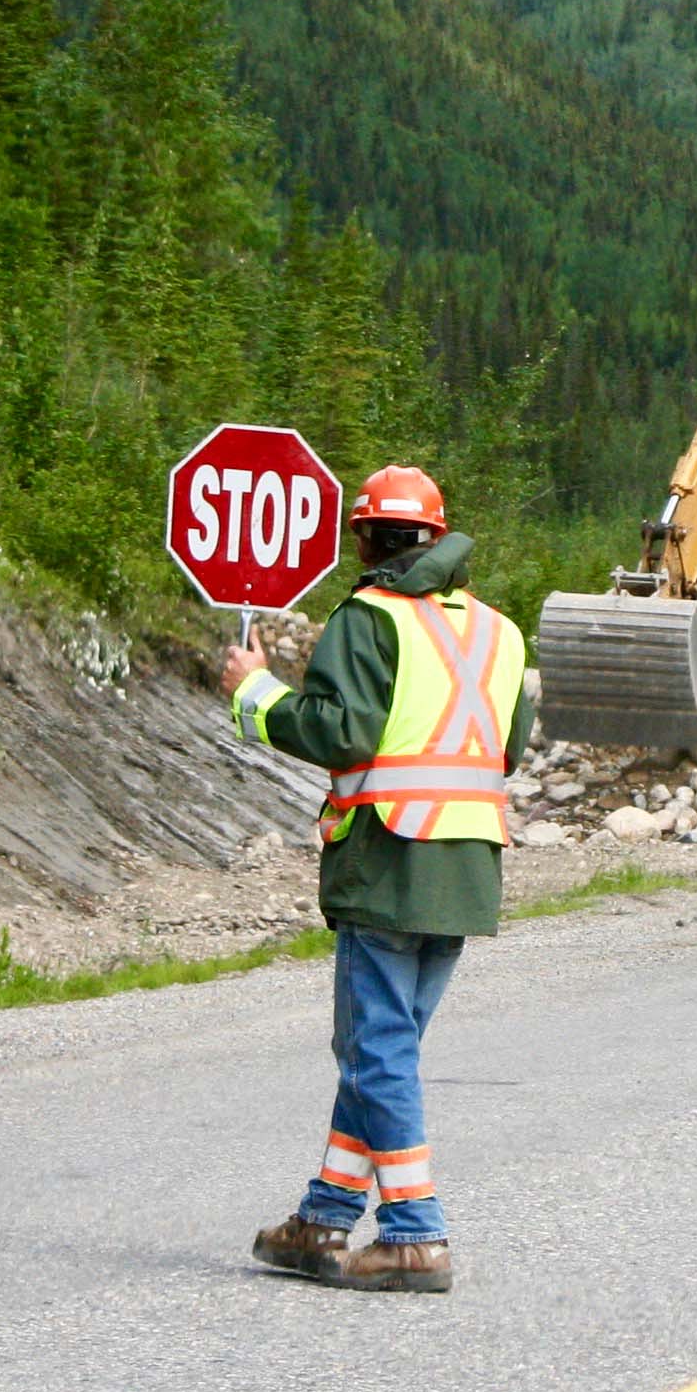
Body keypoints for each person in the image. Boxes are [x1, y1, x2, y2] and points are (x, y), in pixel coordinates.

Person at [218, 463, 531, 1293]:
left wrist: (254, 693)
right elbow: (510, 745)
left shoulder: (367, 619)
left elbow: (340, 731)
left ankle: (414, 1235)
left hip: (389, 858)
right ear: (437, 535)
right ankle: (322, 1221)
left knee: (377, 1051)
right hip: (467, 865)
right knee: (381, 1051)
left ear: (363, 537)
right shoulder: (499, 631)